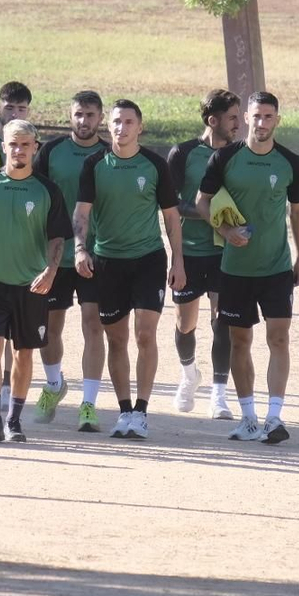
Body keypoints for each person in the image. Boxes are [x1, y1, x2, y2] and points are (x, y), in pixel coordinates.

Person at [195, 91, 299, 445]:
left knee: (278, 338)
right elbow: (202, 202)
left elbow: (298, 211)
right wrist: (225, 231)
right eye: (256, 116)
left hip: (276, 268)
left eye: (268, 117)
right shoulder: (225, 157)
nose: (262, 123)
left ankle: (274, 418)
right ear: (245, 117)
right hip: (235, 269)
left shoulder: (290, 161)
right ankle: (248, 418)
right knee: (239, 340)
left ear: (277, 120)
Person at [72, 99, 186, 440]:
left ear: (140, 126)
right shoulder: (95, 164)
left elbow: (170, 216)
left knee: (145, 334)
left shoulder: (154, 164)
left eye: (129, 122)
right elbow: (81, 213)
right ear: (109, 126)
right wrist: (80, 248)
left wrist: (178, 259)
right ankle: (124, 412)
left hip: (148, 259)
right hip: (107, 261)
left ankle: (142, 411)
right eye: (117, 122)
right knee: (116, 338)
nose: (122, 128)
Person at [0, 120, 71, 442]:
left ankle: (14, 420)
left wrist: (50, 271)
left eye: (25, 145)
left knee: (23, 353)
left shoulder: (47, 190)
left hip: (31, 285)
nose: (18, 150)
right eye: (12, 144)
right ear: (2, 146)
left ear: (35, 147)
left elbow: (57, 238)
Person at [30, 90, 108, 430]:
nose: (84, 121)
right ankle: (53, 384)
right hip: (55, 252)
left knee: (93, 325)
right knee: (48, 328)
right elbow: (34, 191)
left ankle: (88, 404)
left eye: (91, 115)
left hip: (94, 253)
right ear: (69, 115)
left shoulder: (109, 155)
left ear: (100, 118)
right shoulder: (51, 151)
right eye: (79, 114)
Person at [165, 90, 243, 420]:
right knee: (186, 324)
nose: (238, 125)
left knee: (222, 321)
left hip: (226, 252)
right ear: (213, 121)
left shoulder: (242, 154)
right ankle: (188, 374)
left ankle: (219, 394)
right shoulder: (183, 153)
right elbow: (170, 205)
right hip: (191, 250)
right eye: (232, 118)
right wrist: (211, 212)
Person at [0, 81, 33, 158]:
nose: (14, 114)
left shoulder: (35, 148)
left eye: (21, 109)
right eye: (9, 108)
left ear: (28, 112)